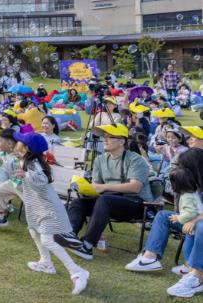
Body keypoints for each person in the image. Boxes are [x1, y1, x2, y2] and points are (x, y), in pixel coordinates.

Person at [14, 131, 89, 295]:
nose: (17, 143)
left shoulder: (33, 164)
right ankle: (46, 263)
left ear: (27, 148)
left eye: (20, 141)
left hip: (49, 209)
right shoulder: (27, 161)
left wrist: (25, 175)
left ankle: (77, 271)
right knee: (34, 232)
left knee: (47, 240)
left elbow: (41, 180)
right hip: (38, 208)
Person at [66, 123, 153, 260]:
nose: (105, 140)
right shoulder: (100, 159)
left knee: (105, 200)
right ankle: (70, 237)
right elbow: (96, 185)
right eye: (104, 137)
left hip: (136, 204)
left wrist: (105, 187)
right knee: (78, 202)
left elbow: (135, 187)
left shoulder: (135, 159)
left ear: (122, 141)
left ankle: (87, 246)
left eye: (110, 137)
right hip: (107, 201)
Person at [125, 147, 203, 298]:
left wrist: (194, 220)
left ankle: (197, 276)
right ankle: (150, 258)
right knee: (163, 216)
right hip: (192, 220)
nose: (181, 170)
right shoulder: (193, 184)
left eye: (184, 167)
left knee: (200, 226)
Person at [0, 129, 24, 227]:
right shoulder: (3, 153)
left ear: (9, 143)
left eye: (0, 140)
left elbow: (15, 169)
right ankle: (0, 217)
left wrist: (1, 162)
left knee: (33, 205)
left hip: (25, 184)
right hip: (14, 182)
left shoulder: (19, 153)